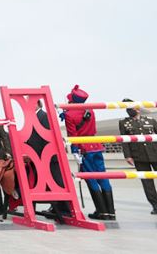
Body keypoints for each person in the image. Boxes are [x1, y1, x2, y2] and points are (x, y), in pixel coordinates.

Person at [60, 86, 115, 220]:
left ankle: (102, 211)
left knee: (90, 178)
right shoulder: (89, 110)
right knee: (103, 177)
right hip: (96, 146)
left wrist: (75, 151)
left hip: (84, 149)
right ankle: (110, 212)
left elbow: (73, 136)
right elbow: (94, 129)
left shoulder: (69, 114)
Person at [119, 98, 157, 215]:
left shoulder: (151, 120)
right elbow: (125, 141)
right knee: (147, 182)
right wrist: (128, 156)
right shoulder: (124, 123)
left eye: (131, 108)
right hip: (138, 155)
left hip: (154, 152)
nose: (130, 110)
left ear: (138, 109)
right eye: (127, 108)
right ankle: (155, 204)